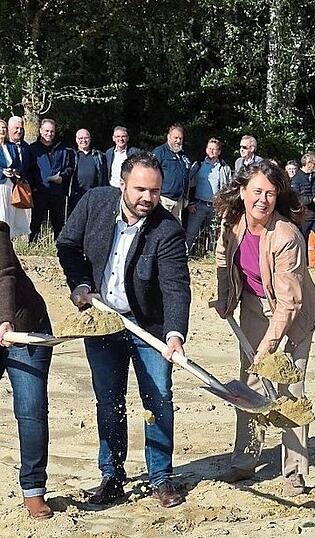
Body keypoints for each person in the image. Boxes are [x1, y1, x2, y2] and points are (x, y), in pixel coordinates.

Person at [56, 152, 190, 508]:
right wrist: (80, 283)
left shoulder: (168, 229)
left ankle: (160, 477)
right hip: (103, 322)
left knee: (158, 400)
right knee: (109, 400)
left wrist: (175, 334)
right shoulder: (95, 203)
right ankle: (112, 476)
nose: (148, 197)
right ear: (122, 185)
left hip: (149, 326)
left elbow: (176, 287)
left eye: (155, 191)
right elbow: (67, 245)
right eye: (141, 189)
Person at [211, 160, 315, 496]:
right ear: (243, 192)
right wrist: (225, 297)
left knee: (290, 389)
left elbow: (289, 302)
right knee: (251, 383)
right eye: (257, 191)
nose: (263, 199)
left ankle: (294, 470)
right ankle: (245, 461)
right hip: (255, 307)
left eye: (271, 193)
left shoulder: (285, 235)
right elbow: (221, 259)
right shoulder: (233, 224)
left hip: (293, 313)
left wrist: (268, 346)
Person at [0, 220, 55, 519]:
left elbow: (4, 275)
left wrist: (4, 319)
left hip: (23, 328)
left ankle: (33, 489)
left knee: (30, 410)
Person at [184, 138, 232, 253]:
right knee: (190, 233)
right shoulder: (198, 165)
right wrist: (189, 202)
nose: (211, 151)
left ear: (219, 152)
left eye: (214, 149)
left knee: (213, 236)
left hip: (216, 207)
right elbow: (188, 184)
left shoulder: (224, 168)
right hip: (198, 205)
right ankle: (184, 256)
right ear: (206, 149)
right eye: (209, 148)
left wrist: (225, 206)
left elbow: (228, 189)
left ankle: (211, 259)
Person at [30, 118, 74, 242]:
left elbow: (69, 167)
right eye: (47, 131)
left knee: (58, 224)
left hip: (57, 192)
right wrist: (34, 187)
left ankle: (58, 248)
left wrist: (62, 177)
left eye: (52, 131)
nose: (49, 134)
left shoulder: (62, 149)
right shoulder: (33, 149)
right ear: (40, 131)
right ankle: (32, 247)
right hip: (39, 192)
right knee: (35, 223)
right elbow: (29, 169)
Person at [291, 152, 315, 267]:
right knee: (302, 240)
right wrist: (312, 199)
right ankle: (304, 264)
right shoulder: (296, 179)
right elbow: (296, 198)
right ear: (308, 163)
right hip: (304, 215)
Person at [0, 119, 31, 238]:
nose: (2, 130)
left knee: (10, 215)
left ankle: (8, 241)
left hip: (11, 185)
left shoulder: (11, 146)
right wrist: (2, 171)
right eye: (0, 127)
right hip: (0, 184)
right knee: (2, 214)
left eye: (4, 128)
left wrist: (15, 172)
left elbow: (18, 163)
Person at [152, 124, 190, 221]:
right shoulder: (159, 152)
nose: (178, 141)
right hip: (164, 199)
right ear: (169, 137)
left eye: (180, 138)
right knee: (161, 226)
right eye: (175, 138)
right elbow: (152, 174)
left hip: (179, 200)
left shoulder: (183, 155)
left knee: (175, 229)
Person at [67, 128, 108, 216]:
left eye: (86, 138)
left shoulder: (99, 156)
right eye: (80, 138)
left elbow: (104, 176)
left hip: (94, 196)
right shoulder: (72, 155)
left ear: (90, 139)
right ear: (76, 140)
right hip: (76, 196)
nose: (83, 140)